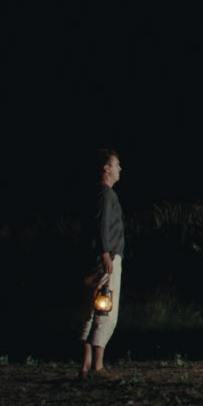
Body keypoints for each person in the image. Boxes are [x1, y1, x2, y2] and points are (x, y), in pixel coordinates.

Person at [79, 149, 125, 379]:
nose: (120, 169)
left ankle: (85, 365)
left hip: (94, 257)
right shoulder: (107, 195)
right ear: (106, 168)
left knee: (91, 309)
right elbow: (103, 224)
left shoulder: (97, 194)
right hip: (107, 258)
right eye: (116, 165)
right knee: (106, 309)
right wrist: (106, 252)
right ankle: (98, 365)